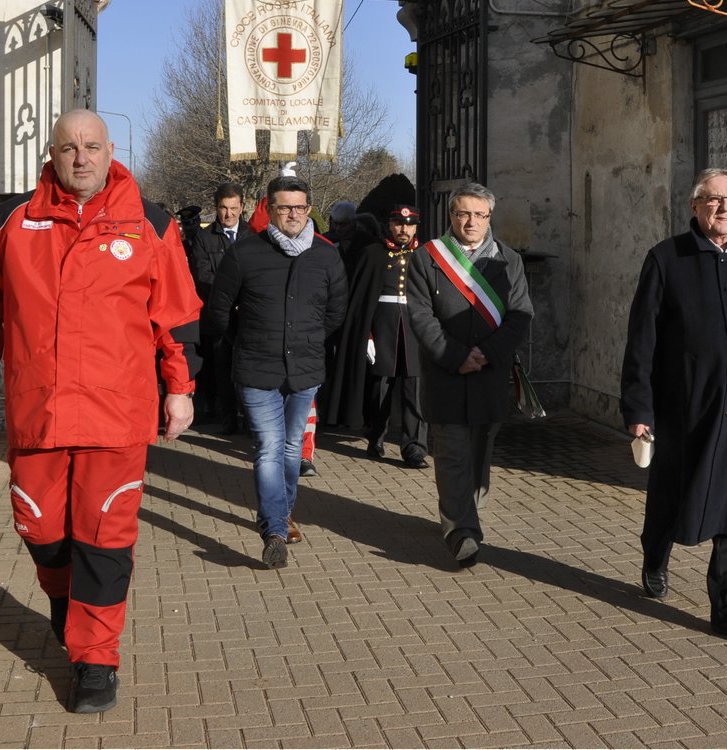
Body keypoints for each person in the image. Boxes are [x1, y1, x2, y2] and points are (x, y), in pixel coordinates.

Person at [0, 109, 200, 713]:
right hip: (39, 409)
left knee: (104, 533)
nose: (82, 157)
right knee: (40, 527)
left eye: (92, 146)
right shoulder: (13, 220)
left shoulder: (151, 223)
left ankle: (95, 660)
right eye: (70, 148)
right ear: (53, 153)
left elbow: (177, 316)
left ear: (110, 149)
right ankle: (66, 604)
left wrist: (180, 387)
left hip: (117, 415)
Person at [620, 168, 727, 647]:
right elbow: (642, 343)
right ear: (694, 207)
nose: (725, 209)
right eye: (714, 200)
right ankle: (655, 556)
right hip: (685, 410)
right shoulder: (665, 260)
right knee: (669, 497)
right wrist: (639, 408)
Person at [202, 173, 347, 568]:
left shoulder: (326, 254)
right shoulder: (245, 254)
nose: (294, 214)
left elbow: (336, 311)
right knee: (268, 447)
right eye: (285, 207)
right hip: (256, 368)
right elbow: (218, 311)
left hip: (304, 369)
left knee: (290, 447)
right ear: (270, 210)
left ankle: (282, 515)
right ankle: (274, 531)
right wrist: (246, 339)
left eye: (301, 207)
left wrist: (310, 340)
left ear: (309, 209)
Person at [406, 183, 533, 567]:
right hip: (446, 374)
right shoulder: (427, 258)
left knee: (480, 458)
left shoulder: (508, 260)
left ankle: (463, 513)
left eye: (480, 214)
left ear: (490, 218)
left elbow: (520, 315)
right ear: (451, 216)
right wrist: (456, 356)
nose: (471, 221)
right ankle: (461, 530)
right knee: (452, 454)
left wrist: (486, 354)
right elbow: (421, 316)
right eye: (463, 213)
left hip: (489, 377)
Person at [325, 204, 428, 467]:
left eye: (409, 225)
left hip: (416, 329)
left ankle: (414, 447)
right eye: (398, 224)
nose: (403, 229)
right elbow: (362, 299)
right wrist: (367, 335)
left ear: (416, 227)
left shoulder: (426, 255)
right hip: (383, 327)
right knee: (379, 388)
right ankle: (375, 436)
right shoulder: (372, 253)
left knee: (414, 389)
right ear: (389, 225)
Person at [190, 183, 246, 431]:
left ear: (242, 207)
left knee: (245, 367)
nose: (229, 214)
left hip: (246, 314)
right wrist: (229, 296)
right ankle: (228, 415)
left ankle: (249, 416)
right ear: (216, 207)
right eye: (224, 208)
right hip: (218, 313)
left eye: (234, 208)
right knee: (221, 366)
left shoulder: (252, 235)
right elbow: (202, 275)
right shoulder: (204, 238)